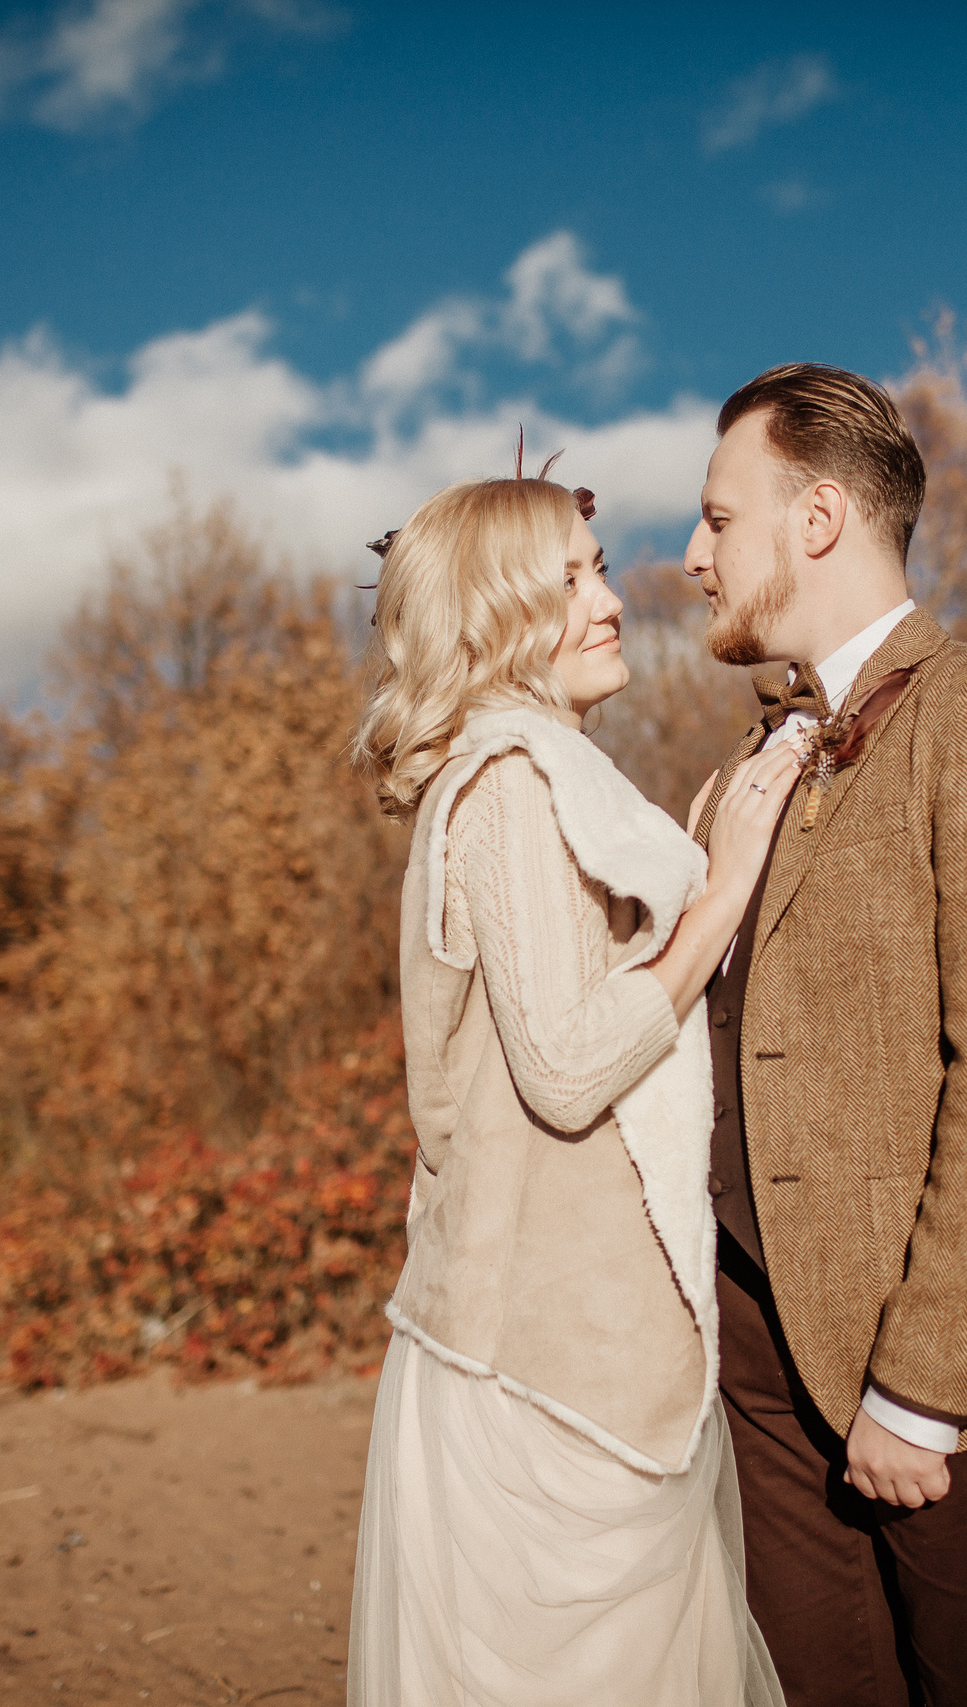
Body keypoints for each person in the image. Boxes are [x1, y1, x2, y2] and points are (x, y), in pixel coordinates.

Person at [683, 365, 967, 1707]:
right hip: (757, 1372)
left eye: (718, 518)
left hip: (952, 1385)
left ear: (818, 516)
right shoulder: (745, 768)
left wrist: (924, 1386)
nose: (692, 554)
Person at [343, 467, 796, 1706]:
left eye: (595, 569)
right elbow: (567, 1065)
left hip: (562, 1355)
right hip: (544, 1384)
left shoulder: (530, 780)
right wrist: (723, 889)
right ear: (494, 620)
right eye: (570, 581)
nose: (610, 599)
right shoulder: (507, 787)